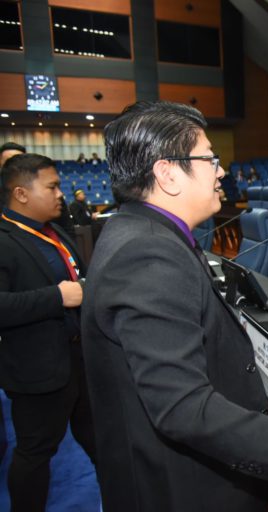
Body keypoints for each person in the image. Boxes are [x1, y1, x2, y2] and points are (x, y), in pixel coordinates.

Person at [81, 101, 268, 511]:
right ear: (168, 173)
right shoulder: (148, 254)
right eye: (210, 159)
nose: (221, 172)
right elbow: (182, 406)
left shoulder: (138, 231)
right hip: (183, 491)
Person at [0, 153, 96, 512]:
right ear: (21, 193)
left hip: (78, 361)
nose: (61, 194)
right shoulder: (5, 239)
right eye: (52, 187)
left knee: (101, 442)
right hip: (37, 371)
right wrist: (56, 297)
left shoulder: (53, 232)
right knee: (35, 455)